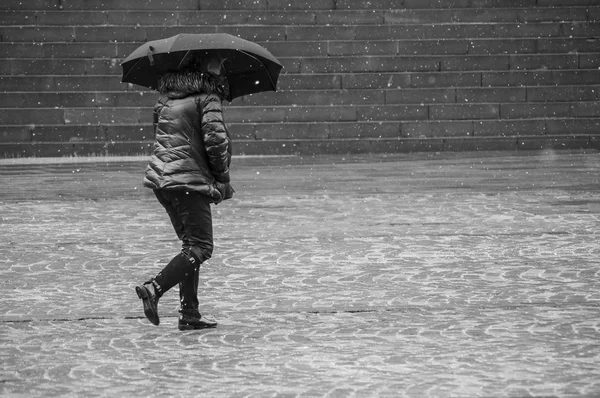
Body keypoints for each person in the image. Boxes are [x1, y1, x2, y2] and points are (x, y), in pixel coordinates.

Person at [135, 56, 234, 330]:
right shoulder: (208, 98)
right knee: (201, 247)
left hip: (164, 182)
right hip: (189, 182)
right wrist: (222, 178)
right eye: (217, 65)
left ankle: (190, 313)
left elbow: (165, 137)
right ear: (205, 69)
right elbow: (216, 143)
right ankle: (154, 287)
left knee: (191, 245)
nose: (221, 69)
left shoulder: (166, 99)